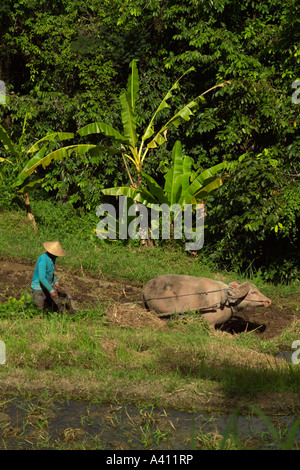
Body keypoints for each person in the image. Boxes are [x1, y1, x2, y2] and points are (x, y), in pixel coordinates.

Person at [31, 241, 66, 311]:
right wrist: (51, 291)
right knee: (39, 307)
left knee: (57, 303)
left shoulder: (52, 259)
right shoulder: (43, 260)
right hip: (39, 287)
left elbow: (50, 272)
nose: (57, 256)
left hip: (49, 284)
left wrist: (55, 282)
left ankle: (60, 315)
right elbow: (42, 278)